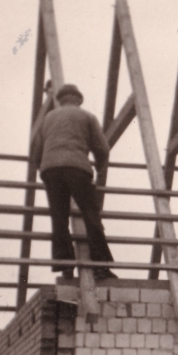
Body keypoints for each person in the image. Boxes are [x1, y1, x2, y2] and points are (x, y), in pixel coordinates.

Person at [31, 83, 116, 280]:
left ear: (60, 100)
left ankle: (65, 266)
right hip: (77, 168)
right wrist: (100, 168)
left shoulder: (47, 119)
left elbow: (35, 152)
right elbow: (102, 148)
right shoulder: (86, 116)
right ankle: (100, 266)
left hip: (51, 170)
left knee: (59, 219)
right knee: (91, 215)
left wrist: (45, 168)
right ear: (78, 99)